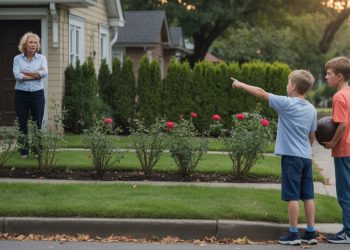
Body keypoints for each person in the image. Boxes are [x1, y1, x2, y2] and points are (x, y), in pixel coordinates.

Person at [232, 70, 317, 246]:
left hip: (291, 158)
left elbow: (261, 92)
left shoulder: (286, 103)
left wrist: (240, 84)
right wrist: (307, 150)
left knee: (292, 196)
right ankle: (311, 232)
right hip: (306, 157)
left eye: (288, 83)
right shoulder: (311, 109)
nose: (287, 86)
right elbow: (311, 136)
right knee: (308, 195)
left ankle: (293, 235)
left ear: (293, 86)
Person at [323, 56, 350, 244]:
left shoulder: (339, 96)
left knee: (344, 192)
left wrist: (332, 142)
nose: (326, 77)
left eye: (329, 74)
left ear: (339, 76)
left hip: (344, 150)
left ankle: (348, 232)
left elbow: (342, 124)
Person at [13, 32, 48, 158]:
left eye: (35, 42)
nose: (33, 45)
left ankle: (37, 150)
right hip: (20, 95)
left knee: (37, 122)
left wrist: (26, 73)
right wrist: (36, 75)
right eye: (31, 42)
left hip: (37, 94)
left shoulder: (42, 58)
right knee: (22, 123)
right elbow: (18, 76)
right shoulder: (17, 59)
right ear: (25, 45)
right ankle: (24, 152)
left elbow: (44, 74)